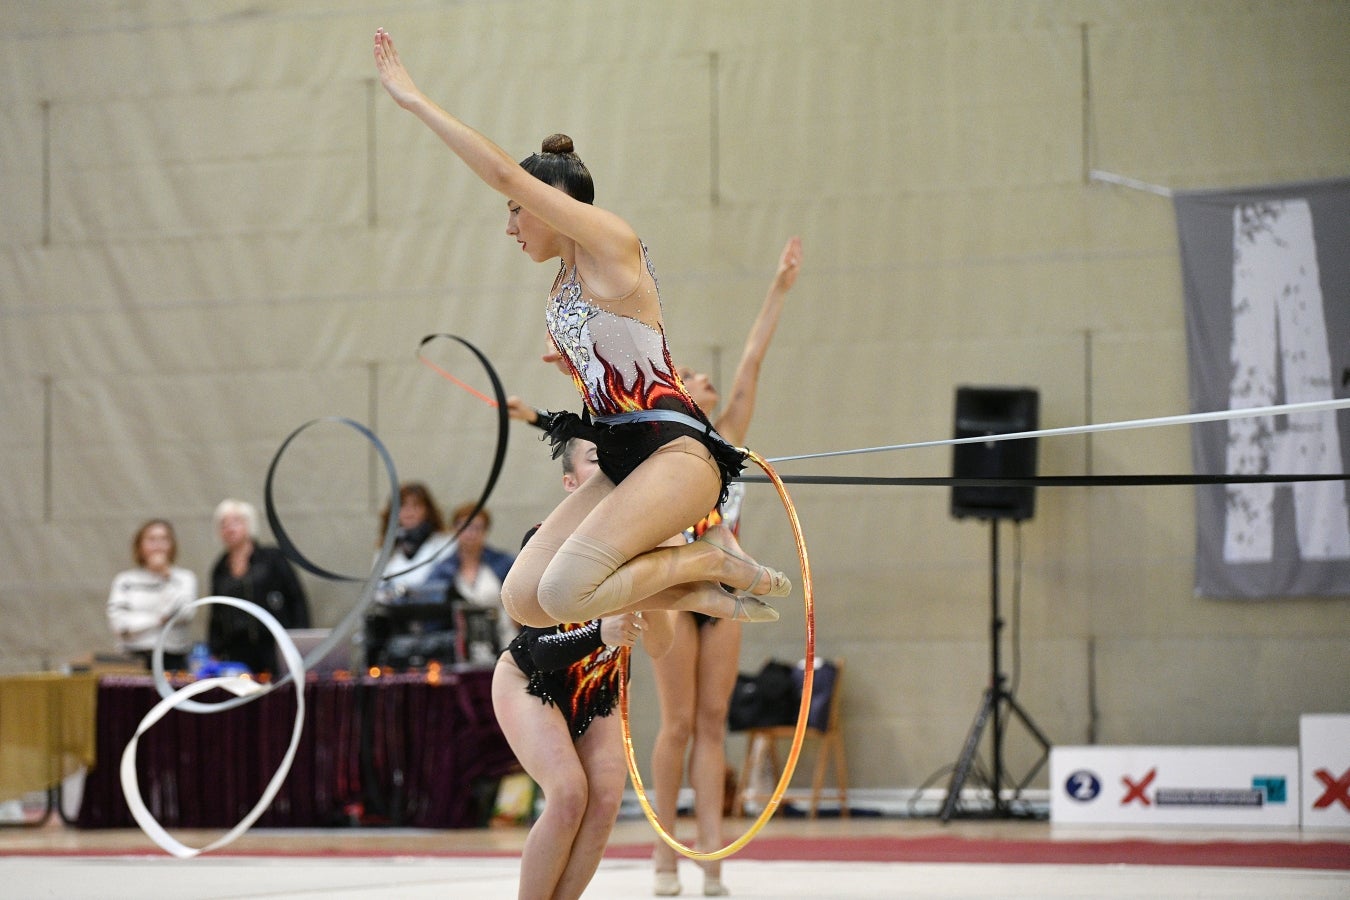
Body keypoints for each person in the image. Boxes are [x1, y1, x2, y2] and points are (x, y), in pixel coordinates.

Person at [374, 28, 790, 632]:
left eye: (517, 210)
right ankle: (692, 582)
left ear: (546, 201)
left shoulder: (612, 243)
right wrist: (569, 361)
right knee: (524, 601)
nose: (510, 225)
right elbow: (606, 362)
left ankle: (703, 556)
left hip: (675, 455)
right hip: (624, 458)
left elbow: (503, 175)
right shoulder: (564, 283)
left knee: (568, 594)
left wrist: (414, 99)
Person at [649, 237, 802, 897]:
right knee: (676, 724)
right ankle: (664, 854)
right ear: (680, 393)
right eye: (695, 377)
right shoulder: (660, 443)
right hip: (677, 590)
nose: (708, 381)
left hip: (724, 594)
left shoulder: (728, 436)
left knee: (713, 724)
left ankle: (711, 854)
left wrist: (779, 287)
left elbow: (752, 359)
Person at [494, 436, 675, 900]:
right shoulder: (542, 544)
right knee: (569, 793)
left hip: (599, 691)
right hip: (531, 681)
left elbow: (661, 645)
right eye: (598, 461)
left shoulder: (642, 547)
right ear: (572, 485)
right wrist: (599, 631)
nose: (613, 469)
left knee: (606, 802)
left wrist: (658, 588)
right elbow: (538, 649)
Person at [207, 498, 311, 676]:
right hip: (235, 650)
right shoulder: (220, 567)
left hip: (274, 645)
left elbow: (296, 599)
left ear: (249, 524)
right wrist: (214, 650)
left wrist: (300, 640)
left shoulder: (272, 558)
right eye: (224, 524)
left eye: (236, 522)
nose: (229, 528)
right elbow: (216, 612)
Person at [107, 518, 198, 671]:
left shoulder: (184, 578)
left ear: (172, 544)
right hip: (132, 659)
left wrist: (166, 577)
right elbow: (119, 625)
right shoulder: (125, 580)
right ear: (140, 545)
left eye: (164, 539)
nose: (158, 546)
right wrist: (159, 620)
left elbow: (184, 613)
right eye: (151, 539)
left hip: (172, 659)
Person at [427, 502, 519, 651]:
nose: (471, 533)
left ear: (485, 531)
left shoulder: (503, 562)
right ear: (455, 529)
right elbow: (431, 609)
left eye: (477, 528)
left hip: (504, 639)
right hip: (458, 645)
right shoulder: (442, 569)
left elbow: (523, 596)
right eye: (465, 527)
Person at [375, 481, 455, 595]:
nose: (409, 511)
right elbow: (378, 588)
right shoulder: (386, 547)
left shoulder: (445, 543)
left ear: (427, 510)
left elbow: (444, 585)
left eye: (416, 505)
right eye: (402, 505)